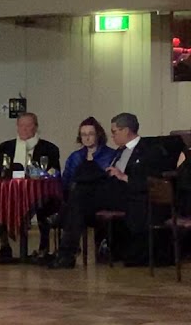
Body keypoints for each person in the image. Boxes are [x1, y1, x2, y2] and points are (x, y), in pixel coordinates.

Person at [49, 113, 175, 269]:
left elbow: (151, 180)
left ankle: (64, 241)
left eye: (114, 132)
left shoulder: (148, 150)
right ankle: (66, 251)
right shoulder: (120, 151)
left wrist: (123, 176)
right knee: (80, 190)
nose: (113, 136)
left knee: (80, 193)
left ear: (126, 131)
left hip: (130, 195)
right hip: (111, 190)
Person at [0, 113, 60, 262]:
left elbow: (55, 172)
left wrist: (41, 174)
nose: (25, 129)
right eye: (21, 125)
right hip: (11, 192)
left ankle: (43, 247)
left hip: (38, 193)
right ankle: (5, 246)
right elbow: (0, 172)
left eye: (29, 125)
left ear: (36, 127)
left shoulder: (50, 148)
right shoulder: (6, 147)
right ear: (17, 127)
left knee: (44, 204)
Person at [61, 117, 116, 192]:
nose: (87, 138)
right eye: (83, 135)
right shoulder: (74, 157)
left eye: (91, 134)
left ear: (98, 135)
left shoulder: (111, 155)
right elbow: (66, 181)